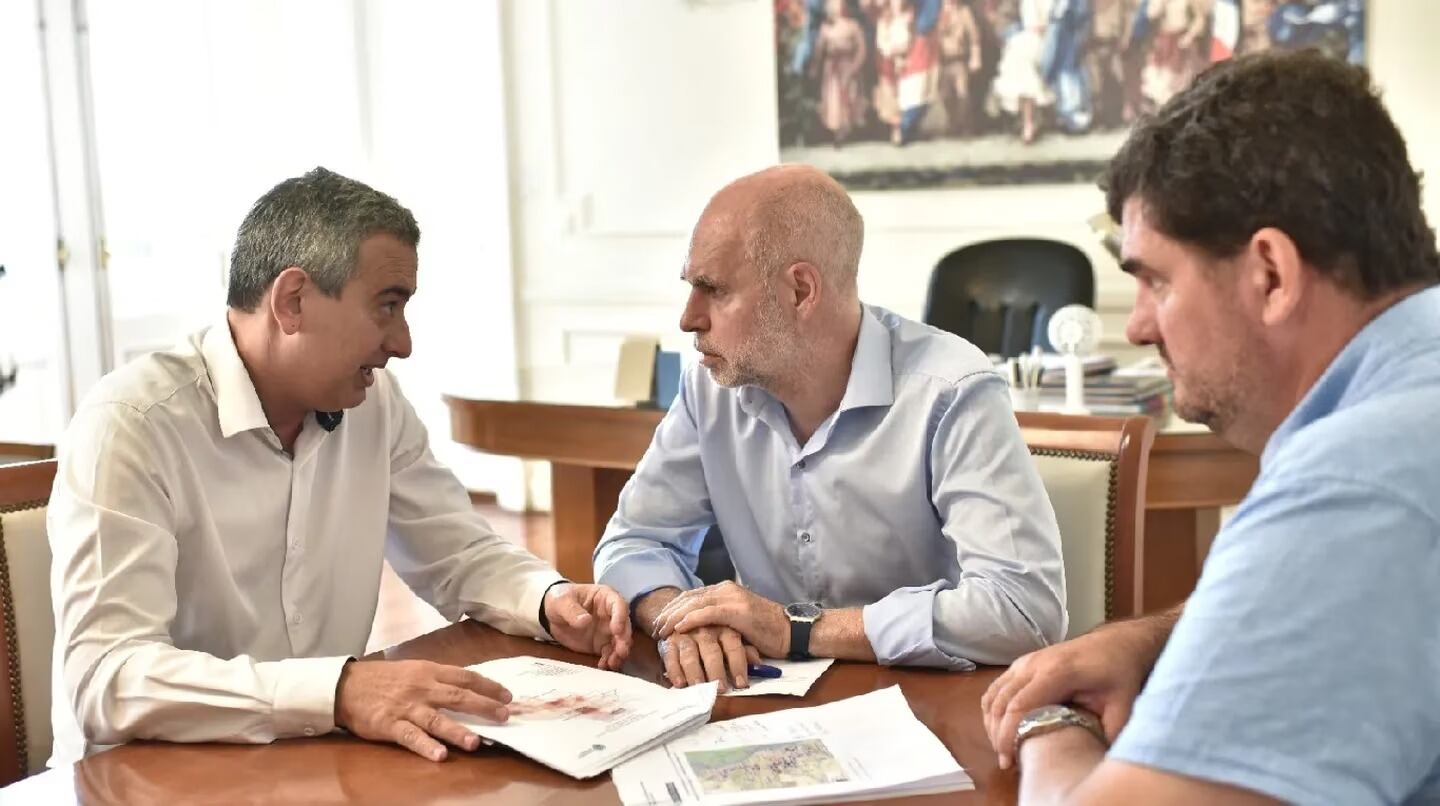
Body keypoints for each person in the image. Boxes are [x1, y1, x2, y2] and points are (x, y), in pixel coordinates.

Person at [48, 168, 633, 766]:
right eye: (387, 306)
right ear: (293, 300)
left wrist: (547, 598)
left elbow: (456, 551)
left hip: (312, 758)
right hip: (145, 778)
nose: (402, 342)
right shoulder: (132, 424)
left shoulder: (375, 402)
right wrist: (339, 690)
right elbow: (109, 677)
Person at [981, 50, 1440, 804]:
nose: (1134, 327)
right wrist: (1152, 638)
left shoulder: (1356, 484)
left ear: (1271, 274)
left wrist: (1052, 725)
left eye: (1156, 280)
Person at [592, 164, 1066, 691]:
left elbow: (1024, 611)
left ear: (800, 291)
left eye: (713, 289)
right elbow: (633, 542)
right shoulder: (709, 388)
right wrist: (681, 619)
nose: (688, 318)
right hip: (769, 704)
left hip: (933, 707)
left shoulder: (951, 389)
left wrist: (797, 629)